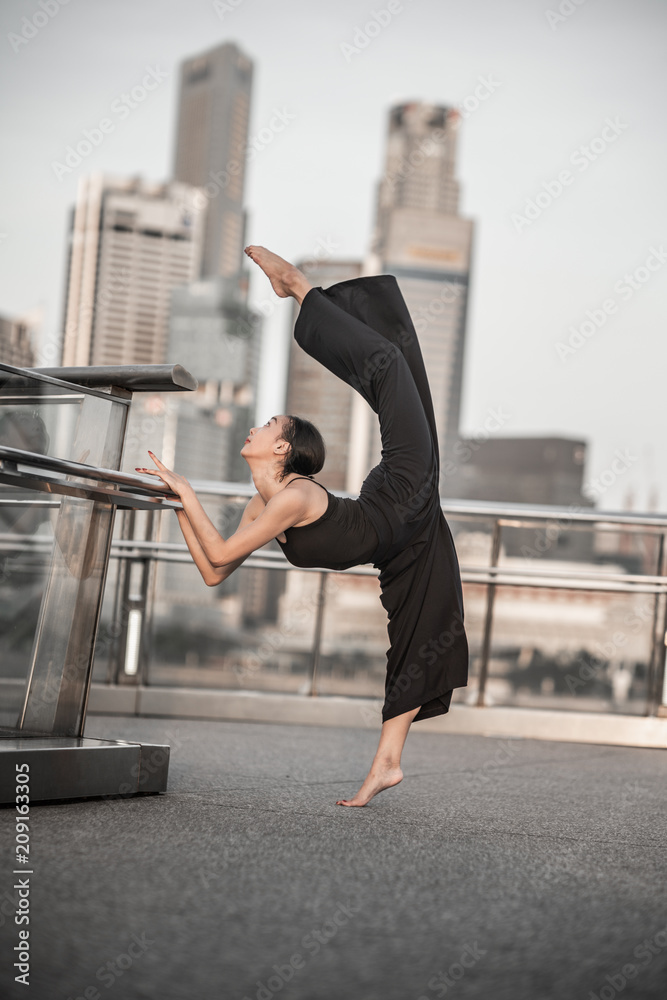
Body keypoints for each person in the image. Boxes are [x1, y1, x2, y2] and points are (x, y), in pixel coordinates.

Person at [137, 246, 469, 807]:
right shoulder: (262, 507)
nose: (254, 427)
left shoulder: (294, 498)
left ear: (282, 448)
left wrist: (188, 492)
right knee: (416, 636)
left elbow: (217, 553)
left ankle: (297, 286)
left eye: (266, 424)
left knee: (390, 365)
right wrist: (179, 506)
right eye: (265, 422)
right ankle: (387, 765)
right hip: (398, 537)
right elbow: (215, 569)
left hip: (399, 492)